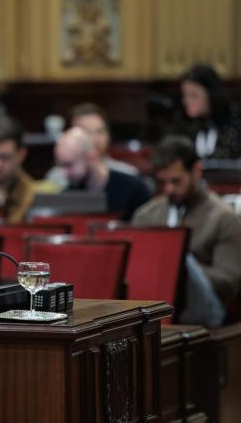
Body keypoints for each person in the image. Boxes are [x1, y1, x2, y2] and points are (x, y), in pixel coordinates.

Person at [132, 135, 241, 326]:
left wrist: (181, 269)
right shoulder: (146, 216)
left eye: (176, 181)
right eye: (162, 182)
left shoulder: (223, 218)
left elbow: (230, 282)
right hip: (152, 310)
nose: (169, 189)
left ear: (196, 171)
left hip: (204, 316)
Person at [54, 127, 151, 220]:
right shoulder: (68, 195)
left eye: (69, 165)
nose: (65, 172)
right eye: (61, 166)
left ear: (90, 157)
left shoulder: (133, 189)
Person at [174, 64, 241, 159]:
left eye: (194, 95)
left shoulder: (234, 124)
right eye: (184, 95)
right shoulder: (185, 126)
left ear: (211, 95)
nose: (186, 101)